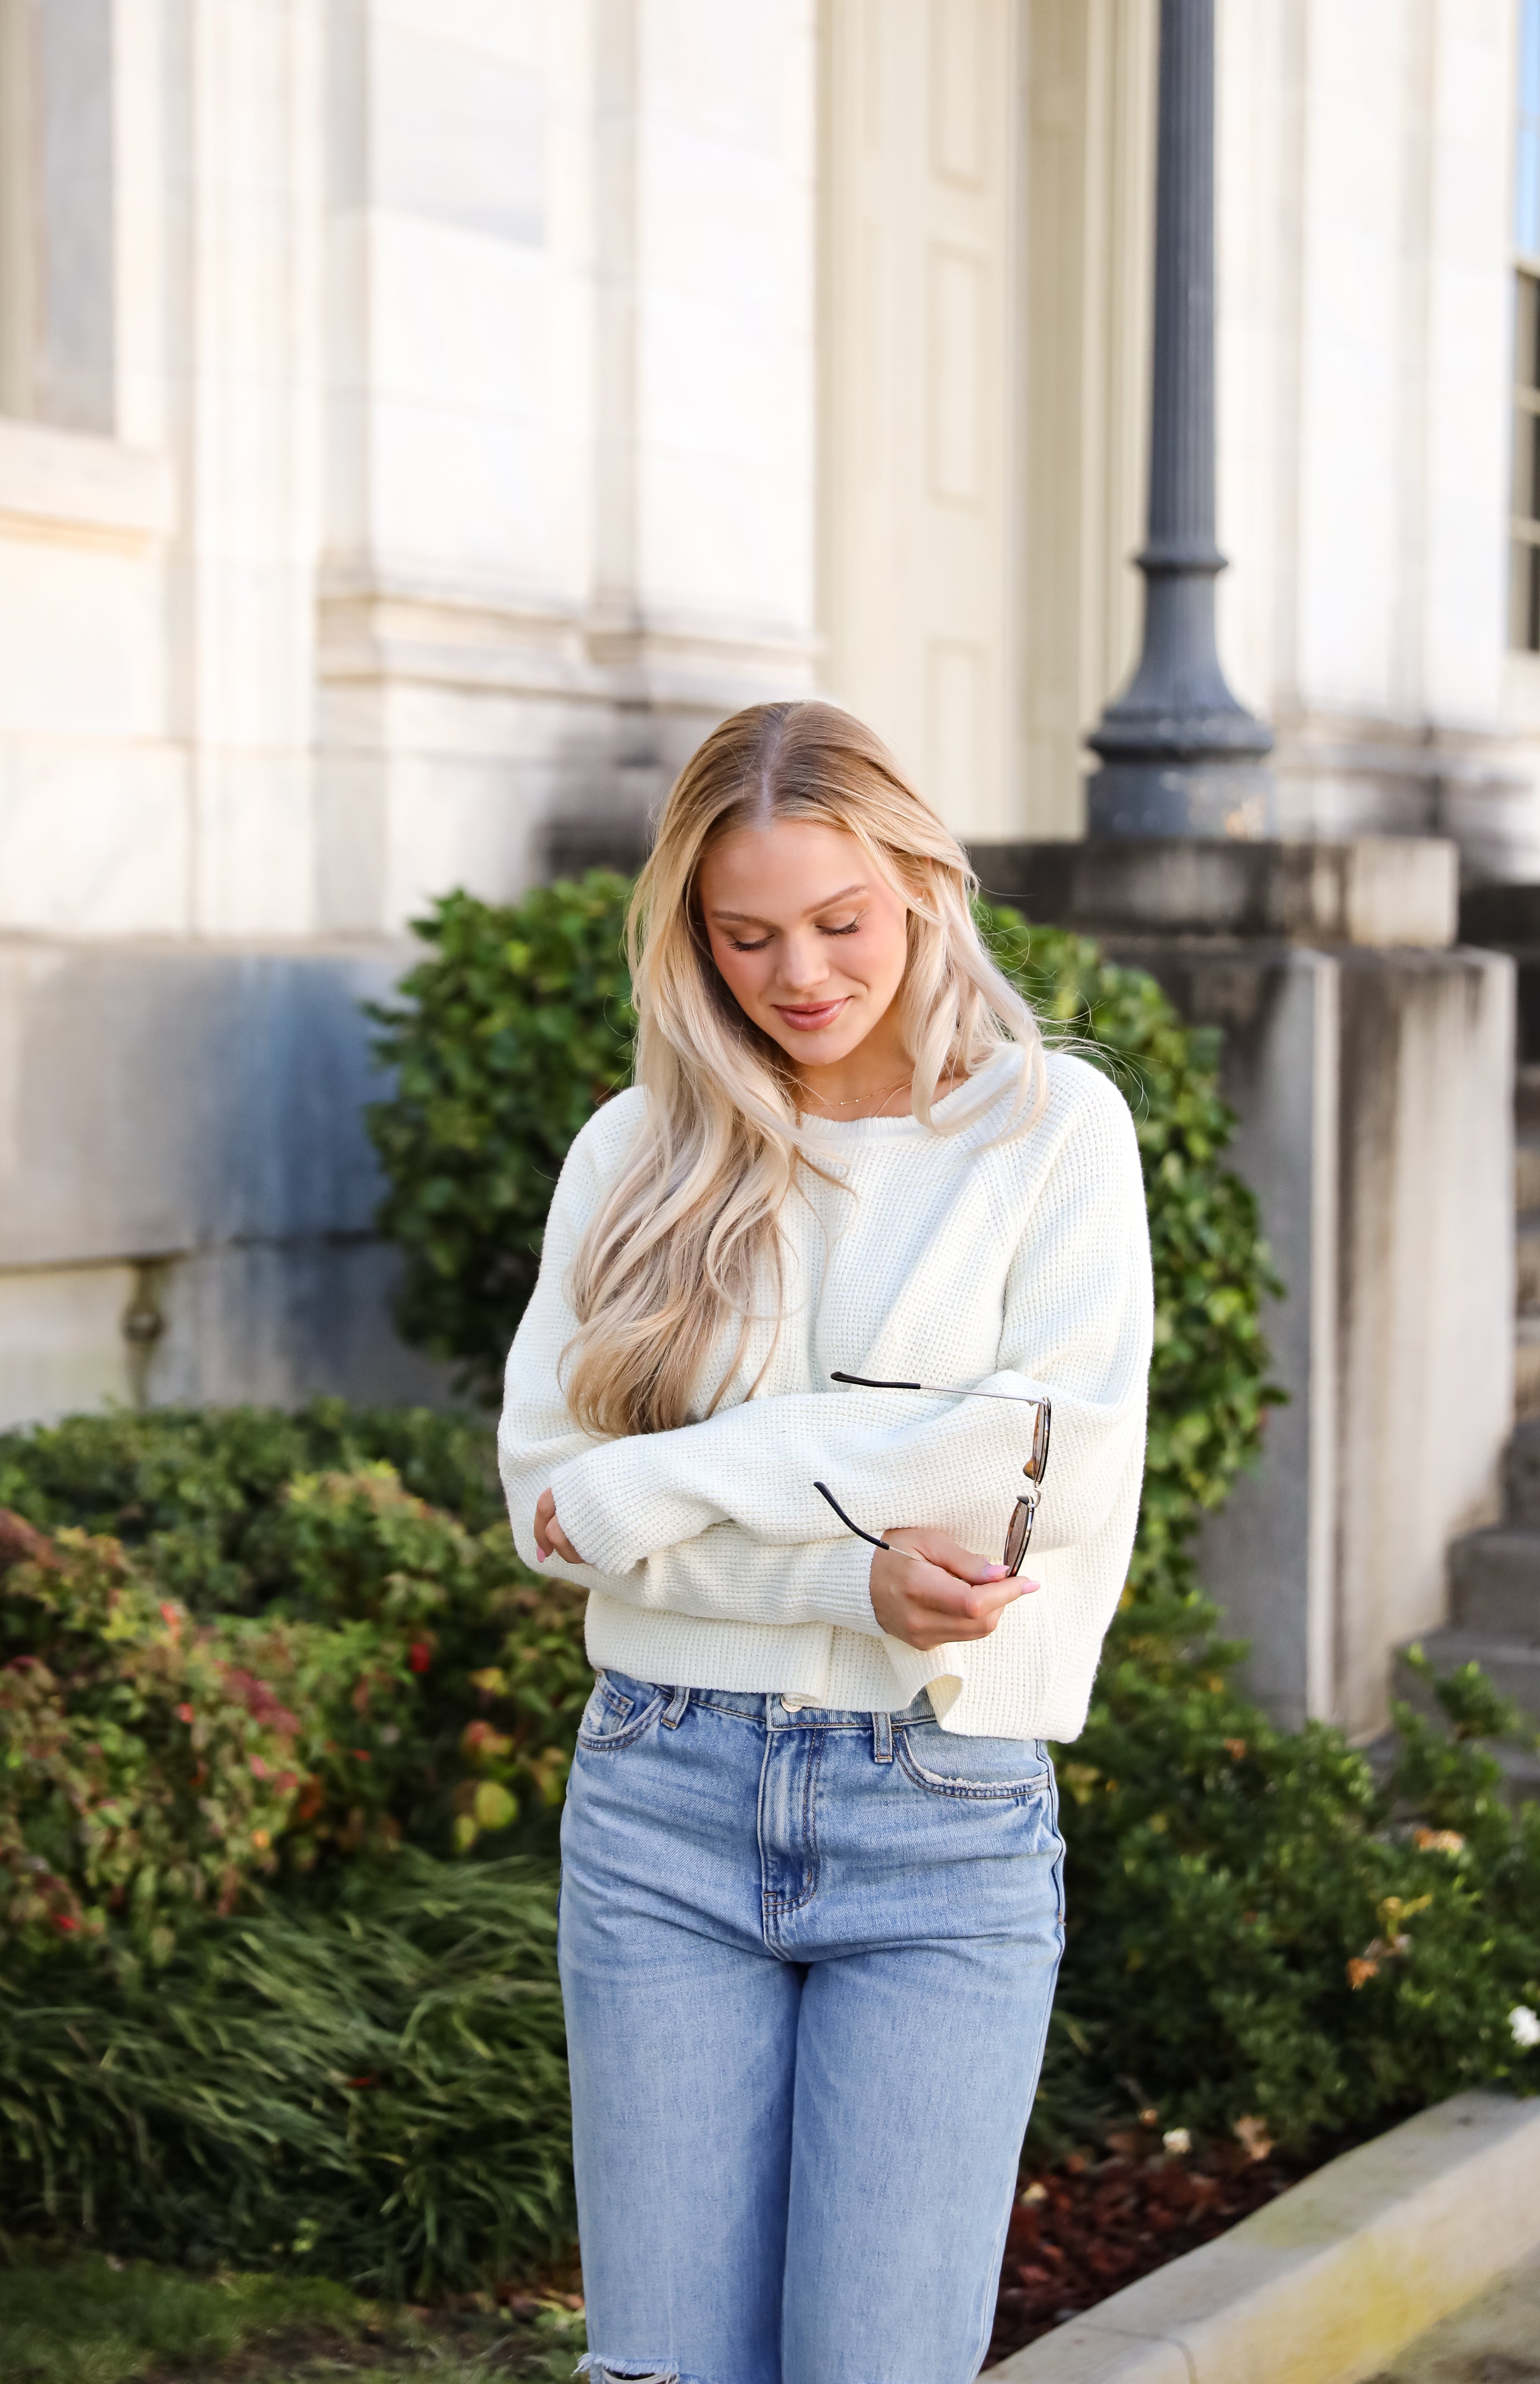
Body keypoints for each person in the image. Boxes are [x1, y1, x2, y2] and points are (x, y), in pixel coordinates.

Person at [499, 699, 1153, 2384]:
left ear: (922, 887)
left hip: (939, 1809)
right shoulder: (635, 1153)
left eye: (839, 920)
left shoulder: (1047, 1134)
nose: (796, 972)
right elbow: (558, 1505)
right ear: (691, 937)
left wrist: (699, 1471)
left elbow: (1044, 1473)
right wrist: (839, 1560)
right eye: (745, 934)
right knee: (661, 2371)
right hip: (660, 1799)